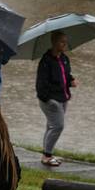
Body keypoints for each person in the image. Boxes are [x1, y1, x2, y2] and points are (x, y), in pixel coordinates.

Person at [35, 31, 76, 166]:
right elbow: (41, 85)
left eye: (66, 41)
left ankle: (46, 154)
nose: (65, 44)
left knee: (51, 126)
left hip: (63, 98)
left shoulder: (64, 58)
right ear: (54, 42)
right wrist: (49, 100)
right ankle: (47, 156)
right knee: (58, 126)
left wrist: (71, 81)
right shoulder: (46, 61)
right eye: (62, 42)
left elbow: (66, 74)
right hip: (51, 100)